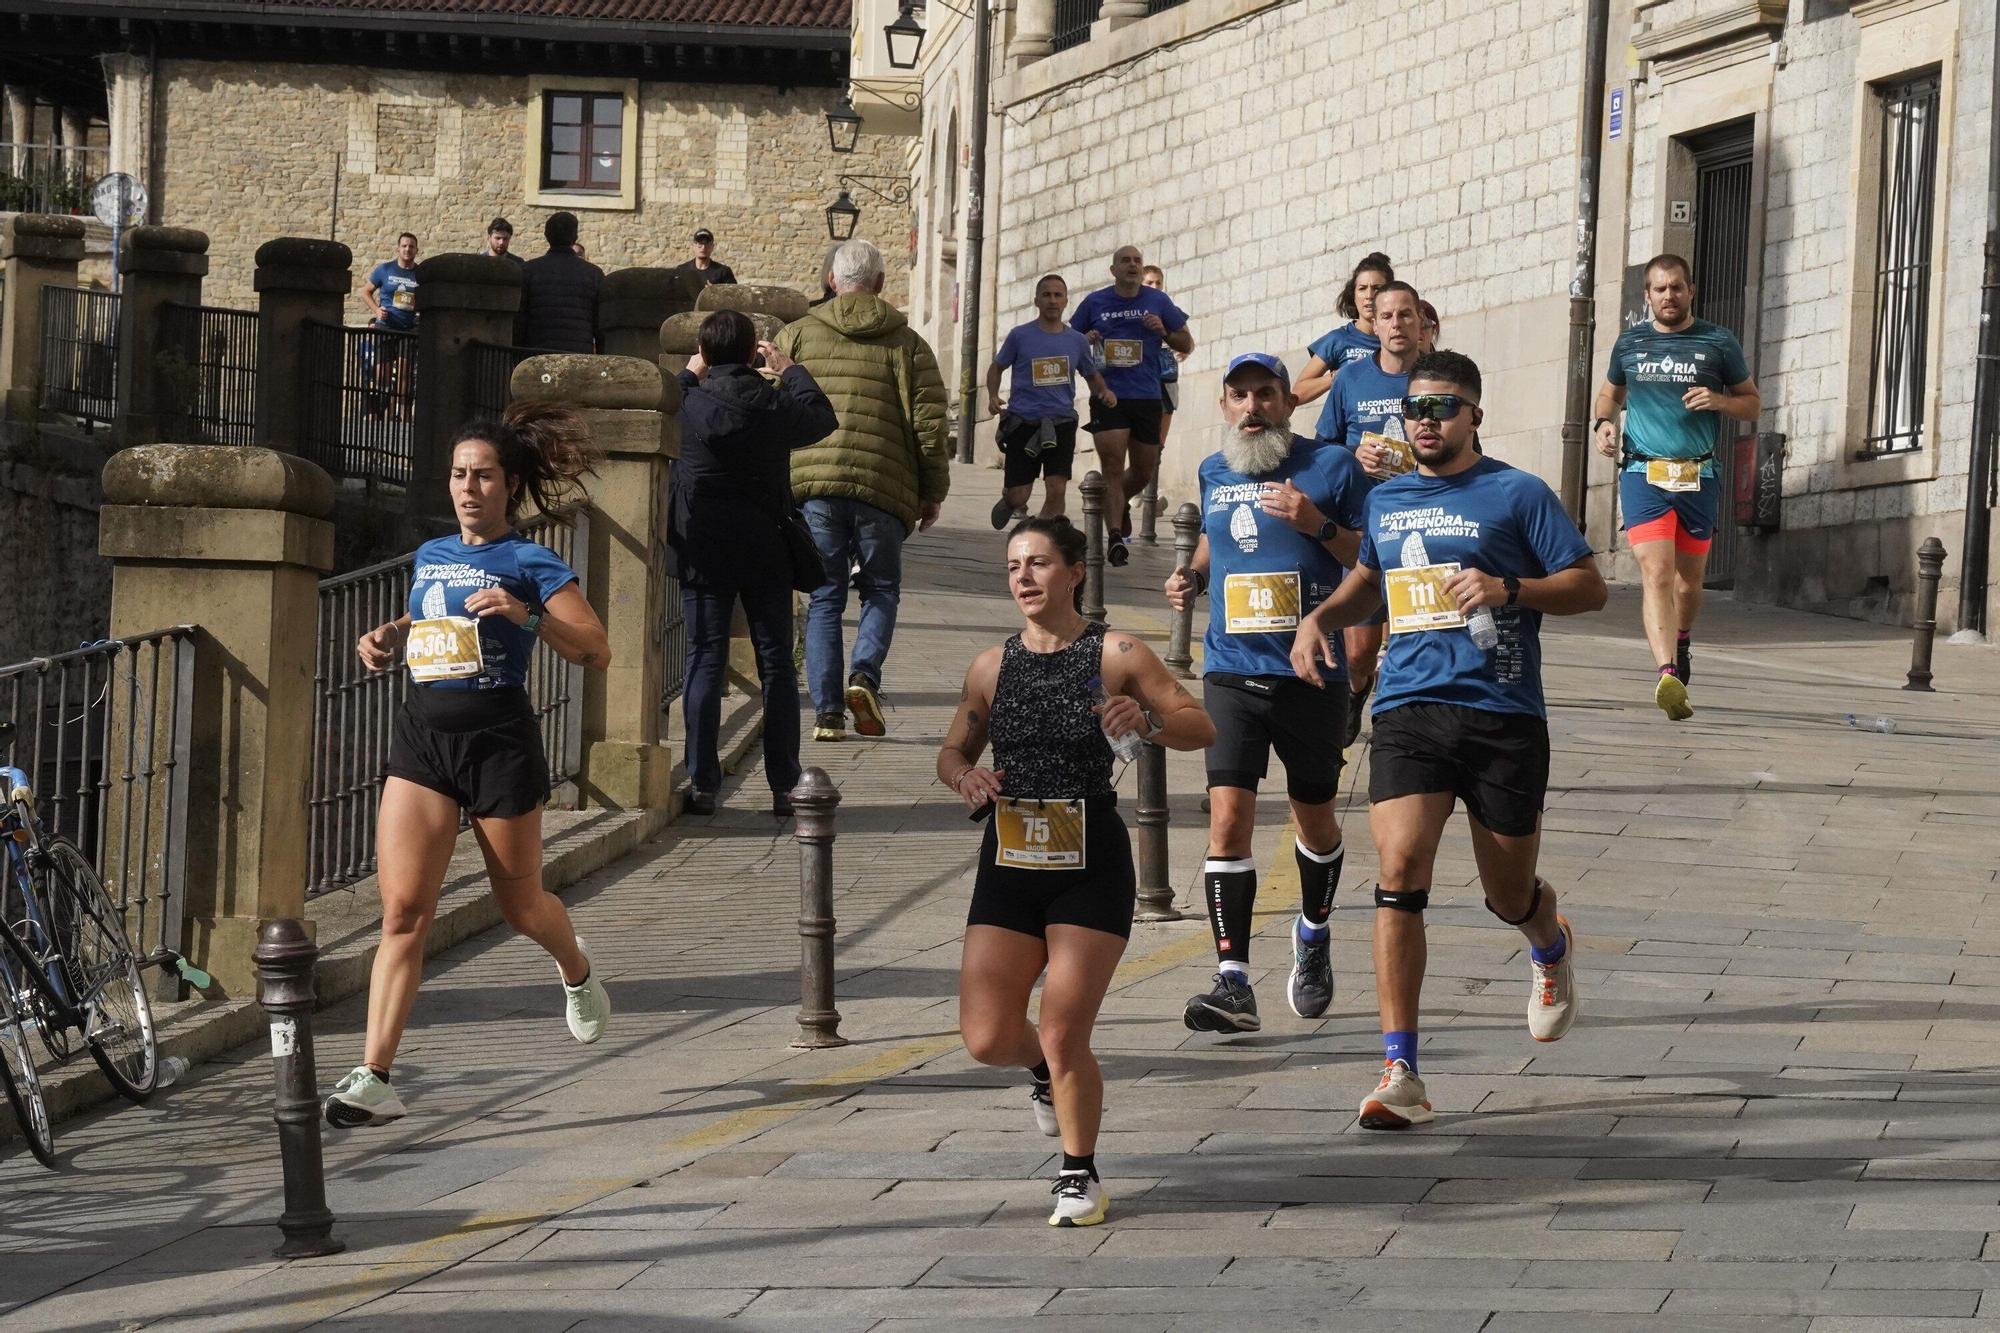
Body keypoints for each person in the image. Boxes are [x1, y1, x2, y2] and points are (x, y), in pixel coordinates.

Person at [1290, 349, 1605, 1131]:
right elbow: (1372, 576)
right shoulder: (1390, 501)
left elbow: (1591, 585)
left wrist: (1511, 589)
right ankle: (1402, 1070)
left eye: (1442, 409)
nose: (1425, 422)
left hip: (1502, 712)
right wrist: (1323, 616)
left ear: (1473, 415)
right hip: (1408, 707)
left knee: (1507, 894)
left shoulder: (1518, 493)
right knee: (1399, 869)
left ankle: (1547, 936)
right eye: (1414, 410)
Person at [325, 402, 614, 1129]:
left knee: (521, 906)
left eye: (482, 475)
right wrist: (388, 634)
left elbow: (595, 649)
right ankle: (375, 1074)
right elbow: (430, 623)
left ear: (509, 484)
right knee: (402, 912)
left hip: (498, 742)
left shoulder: (531, 562)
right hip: (423, 740)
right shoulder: (430, 554)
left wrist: (528, 617)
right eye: (458, 474)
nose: (467, 487)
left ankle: (575, 969)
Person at [941, 517, 1213, 1226]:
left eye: (1037, 563)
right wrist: (965, 776)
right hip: (1008, 858)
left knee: (1064, 1030)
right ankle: (1039, 1074)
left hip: (1088, 860)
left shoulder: (1116, 652)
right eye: (1012, 566)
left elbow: (1199, 724)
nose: (1023, 577)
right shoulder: (990, 665)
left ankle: (1078, 1172)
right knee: (987, 1036)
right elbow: (953, 749)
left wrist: (1146, 722)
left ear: (1074, 571)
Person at [1165, 353, 1367, 1033]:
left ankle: (1312, 931)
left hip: (1312, 674)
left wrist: (1317, 524)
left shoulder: (1332, 467)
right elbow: (1214, 547)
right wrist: (1191, 577)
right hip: (1230, 670)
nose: (1253, 407)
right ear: (1224, 405)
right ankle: (1234, 981)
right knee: (1228, 820)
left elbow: (1370, 558)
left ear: (1288, 402)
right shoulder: (1216, 468)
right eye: (1240, 395)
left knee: (1314, 819)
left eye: (1266, 394)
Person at [773, 238, 949, 743]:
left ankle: (827, 714)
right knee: (881, 590)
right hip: (883, 483)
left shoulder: (797, 335)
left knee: (824, 596)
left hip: (816, 485)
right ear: (880, 285)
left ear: (833, 280)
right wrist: (932, 489)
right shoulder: (909, 343)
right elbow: (930, 424)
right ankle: (864, 675)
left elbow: (775, 406)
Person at [668, 311, 838, 817]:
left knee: (704, 657)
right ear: (751, 354)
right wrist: (790, 369)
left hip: (703, 547)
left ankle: (702, 782)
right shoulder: (772, 402)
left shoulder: (688, 400)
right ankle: (786, 785)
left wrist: (689, 371)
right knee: (777, 667)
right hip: (766, 546)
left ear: (704, 349)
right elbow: (821, 416)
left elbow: (662, 398)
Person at [1593, 253, 1759, 721]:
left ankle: (1682, 643)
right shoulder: (1630, 343)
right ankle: (1666, 673)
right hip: (1644, 473)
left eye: (1677, 288)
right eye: (1660, 289)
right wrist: (1603, 424)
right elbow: (1609, 395)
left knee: (1688, 584)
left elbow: (1753, 405)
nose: (1669, 296)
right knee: (1656, 573)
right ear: (1647, 295)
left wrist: (1721, 400)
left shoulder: (1717, 342)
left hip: (1697, 475)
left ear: (1690, 291)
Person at [1324, 280, 1426, 746]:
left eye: (1406, 314)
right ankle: (1355, 691)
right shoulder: (1350, 379)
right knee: (1360, 652)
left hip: (1422, 523)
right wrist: (1353, 456)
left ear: (1421, 322)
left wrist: (1412, 457)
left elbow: (1470, 448)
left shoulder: (1436, 378)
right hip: (1362, 527)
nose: (1397, 324)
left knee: (1412, 634)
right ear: (1374, 324)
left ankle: (1402, 726)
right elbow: (1325, 449)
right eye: (1387, 316)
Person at [1069, 245, 1194, 567]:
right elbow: (1069, 342)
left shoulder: (1158, 301)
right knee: (1111, 465)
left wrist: (1163, 331)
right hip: (1108, 393)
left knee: (1143, 470)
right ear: (1114, 270)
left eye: (1137, 261)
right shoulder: (1095, 302)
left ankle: (1119, 504)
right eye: (1125, 261)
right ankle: (1113, 536)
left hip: (1147, 395)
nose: (1133, 265)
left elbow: (1186, 344)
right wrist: (1088, 339)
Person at [985, 275, 1114, 528]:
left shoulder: (1076, 340)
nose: (1052, 300)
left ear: (1066, 301)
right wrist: (992, 394)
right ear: (1037, 300)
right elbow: (997, 367)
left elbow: (1091, 374)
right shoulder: (1019, 336)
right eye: (1047, 295)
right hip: (1023, 422)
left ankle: (1041, 535)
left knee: (1057, 489)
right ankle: (1010, 500)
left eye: (1058, 295)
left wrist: (1104, 392)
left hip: (1061, 423)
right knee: (1019, 495)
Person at [1293, 251, 1394, 437]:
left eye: (1377, 288)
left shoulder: (1399, 340)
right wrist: (1337, 377)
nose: (1369, 295)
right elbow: (1298, 393)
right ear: (1353, 295)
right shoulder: (1338, 340)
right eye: (1362, 288)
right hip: (1348, 444)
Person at [518, 212, 604, 354]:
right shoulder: (594, 274)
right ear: (575, 237)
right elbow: (600, 326)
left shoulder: (528, 271)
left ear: (546, 236)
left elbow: (519, 321)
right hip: (578, 354)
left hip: (536, 353)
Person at [364, 232, 421, 420]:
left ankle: (401, 409)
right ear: (398, 249)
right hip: (386, 325)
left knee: (405, 370)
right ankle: (383, 402)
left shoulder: (420, 274)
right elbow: (365, 292)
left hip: (408, 327)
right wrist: (376, 310)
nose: (407, 249)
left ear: (416, 250)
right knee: (382, 372)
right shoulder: (385, 270)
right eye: (404, 246)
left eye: (411, 246)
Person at [671, 227, 738, 300]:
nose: (703, 248)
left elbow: (735, 298)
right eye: (700, 244)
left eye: (707, 244)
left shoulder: (723, 272)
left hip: (713, 310)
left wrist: (718, 293)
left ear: (712, 247)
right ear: (694, 246)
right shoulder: (682, 271)